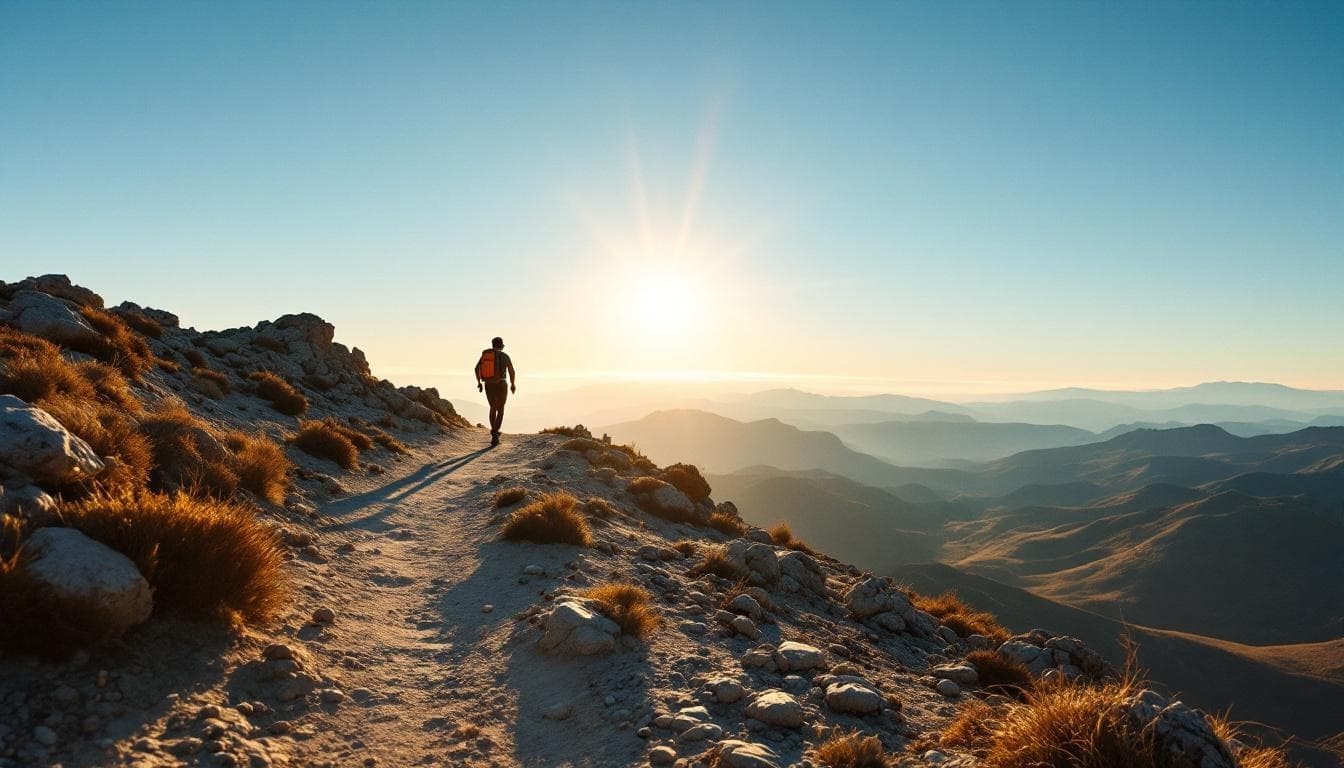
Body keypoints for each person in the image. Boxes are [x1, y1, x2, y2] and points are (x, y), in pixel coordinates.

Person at [474, 337, 515, 447]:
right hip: (501, 384)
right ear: (501, 345)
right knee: (500, 409)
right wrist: (512, 384)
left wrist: (479, 383)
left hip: (488, 384)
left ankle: (494, 431)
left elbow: (476, 369)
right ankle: (495, 434)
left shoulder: (485, 355)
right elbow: (512, 371)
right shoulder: (504, 356)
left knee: (493, 407)